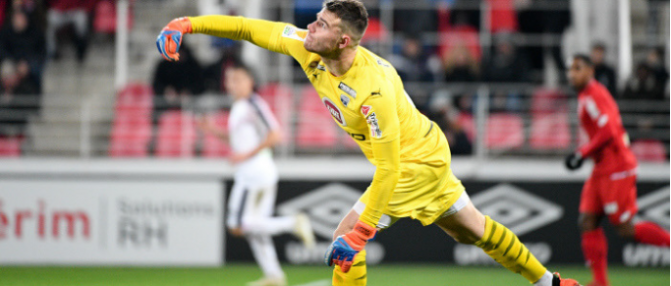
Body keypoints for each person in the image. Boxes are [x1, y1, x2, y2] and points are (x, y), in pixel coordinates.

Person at [156, 1, 580, 285]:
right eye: (316, 16)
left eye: (321, 23)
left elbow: (390, 170)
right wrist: (187, 24)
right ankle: (552, 283)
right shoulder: (309, 48)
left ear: (342, 40)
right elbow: (250, 28)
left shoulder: (371, 90)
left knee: (345, 239)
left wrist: (359, 233)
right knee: (473, 231)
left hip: (414, 164)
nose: (310, 25)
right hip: (427, 153)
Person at [196, 63, 316, 286]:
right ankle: (274, 276)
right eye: (231, 79)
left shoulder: (253, 103)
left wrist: (245, 156)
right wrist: (211, 130)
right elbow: (237, 140)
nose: (233, 84)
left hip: (255, 173)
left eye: (239, 79)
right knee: (255, 228)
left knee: (238, 225)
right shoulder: (239, 107)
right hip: (253, 171)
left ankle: (292, 223)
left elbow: (275, 134)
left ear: (250, 82)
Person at [564, 55, 670, 286]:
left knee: (625, 228)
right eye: (570, 69)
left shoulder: (595, 94)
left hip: (617, 168)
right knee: (587, 221)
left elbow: (609, 131)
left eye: (577, 68)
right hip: (602, 168)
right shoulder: (585, 95)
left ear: (591, 71)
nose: (571, 74)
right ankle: (600, 282)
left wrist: (582, 152)